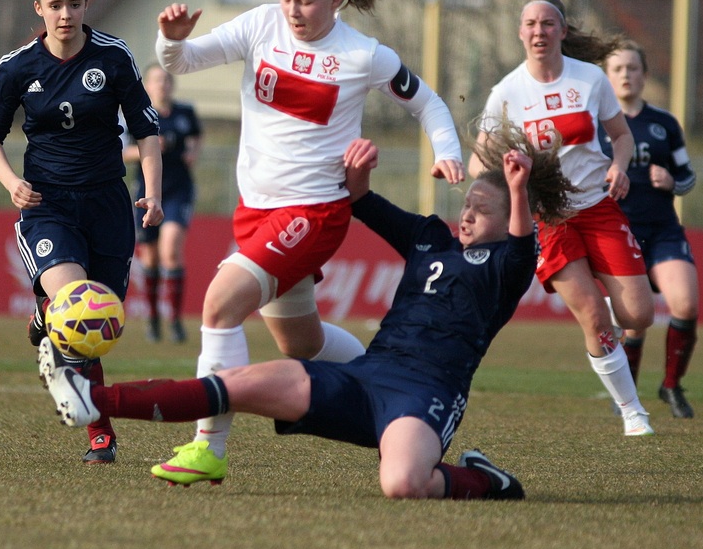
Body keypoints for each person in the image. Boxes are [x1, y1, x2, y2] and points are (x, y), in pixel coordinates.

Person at [38, 124, 575, 498]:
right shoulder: (431, 237)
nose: (467, 215)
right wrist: (357, 172)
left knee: (403, 484)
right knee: (240, 384)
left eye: (483, 210)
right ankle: (92, 398)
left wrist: (520, 188)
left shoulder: (507, 264)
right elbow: (365, 204)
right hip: (367, 375)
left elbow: (524, 243)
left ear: (510, 218)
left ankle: (485, 481)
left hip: (426, 393)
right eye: (467, 205)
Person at [149, 0, 465, 483]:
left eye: (306, 1)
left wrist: (448, 152)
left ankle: (209, 448)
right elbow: (181, 62)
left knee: (219, 305)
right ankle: (382, 382)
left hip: (314, 212)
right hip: (255, 211)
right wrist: (171, 39)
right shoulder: (260, 25)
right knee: (302, 345)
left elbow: (429, 103)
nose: (293, 11)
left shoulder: (364, 55)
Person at [0, 0, 164, 464]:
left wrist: (153, 191)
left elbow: (147, 130)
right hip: (48, 206)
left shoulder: (113, 56)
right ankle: (99, 432)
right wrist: (12, 182)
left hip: (108, 204)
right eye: (56, 5)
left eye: (75, 4)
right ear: (39, 7)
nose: (66, 15)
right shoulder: (16, 66)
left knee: (102, 324)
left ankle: (43, 318)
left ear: (86, 5)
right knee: (79, 310)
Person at [468, 0, 656, 436]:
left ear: (563, 31)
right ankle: (633, 412)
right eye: (530, 24)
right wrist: (506, 167)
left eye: (548, 23)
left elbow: (621, 137)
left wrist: (619, 166)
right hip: (548, 218)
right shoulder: (507, 92)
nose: (539, 31)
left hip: (598, 206)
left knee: (638, 315)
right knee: (592, 314)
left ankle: (607, 302)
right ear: (520, 32)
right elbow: (478, 161)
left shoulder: (590, 78)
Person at [599, 40, 699, 418]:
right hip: (619, 235)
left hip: (662, 232)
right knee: (634, 322)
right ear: (606, 78)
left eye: (633, 68)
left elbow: (688, 178)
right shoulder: (595, 125)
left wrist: (672, 181)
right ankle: (627, 398)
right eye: (618, 69)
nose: (626, 75)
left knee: (686, 304)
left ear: (644, 74)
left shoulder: (664, 124)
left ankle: (671, 386)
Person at [122, 63, 202, 344]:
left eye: (167, 80)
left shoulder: (185, 113)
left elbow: (195, 139)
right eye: (157, 80)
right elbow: (122, 153)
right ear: (147, 86)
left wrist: (192, 151)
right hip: (146, 192)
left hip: (178, 190)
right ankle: (153, 318)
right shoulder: (138, 115)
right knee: (151, 259)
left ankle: (176, 321)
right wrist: (151, 147)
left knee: (171, 251)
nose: (163, 85)